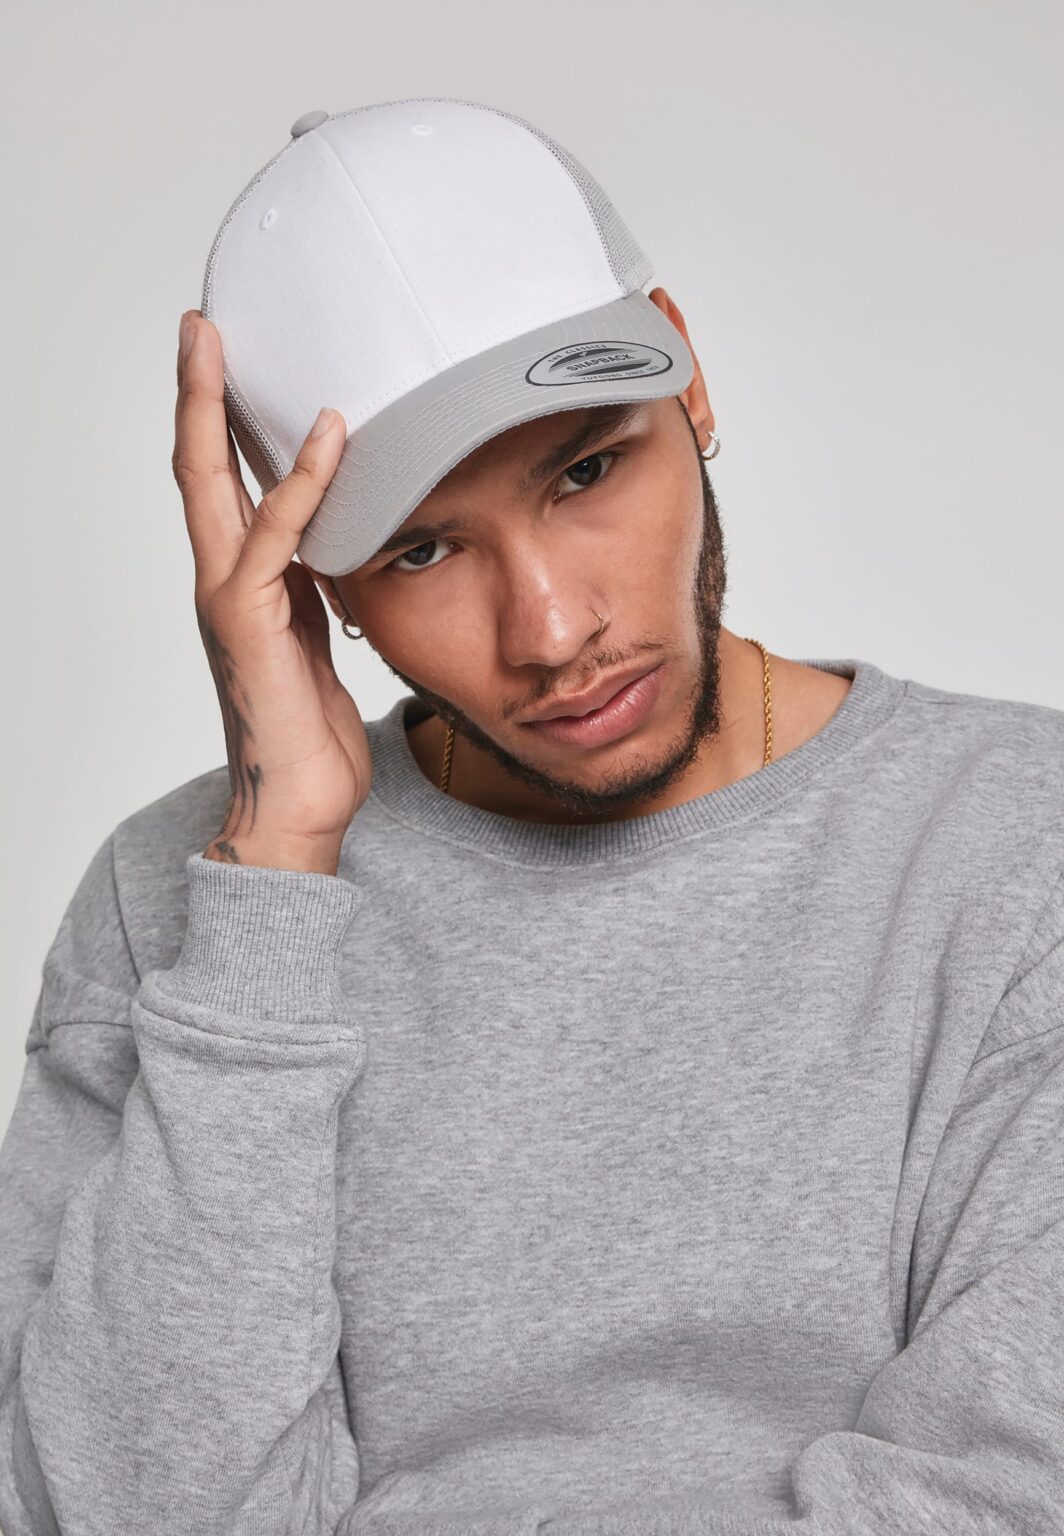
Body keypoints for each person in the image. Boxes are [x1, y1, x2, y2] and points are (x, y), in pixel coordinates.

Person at [1, 98, 1063, 1536]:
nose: (554, 631)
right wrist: (276, 875)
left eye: (585, 470)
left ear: (689, 379)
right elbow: (123, 1510)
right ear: (312, 580)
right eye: (423, 549)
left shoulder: (1020, 848)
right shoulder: (181, 904)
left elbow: (1011, 1491)